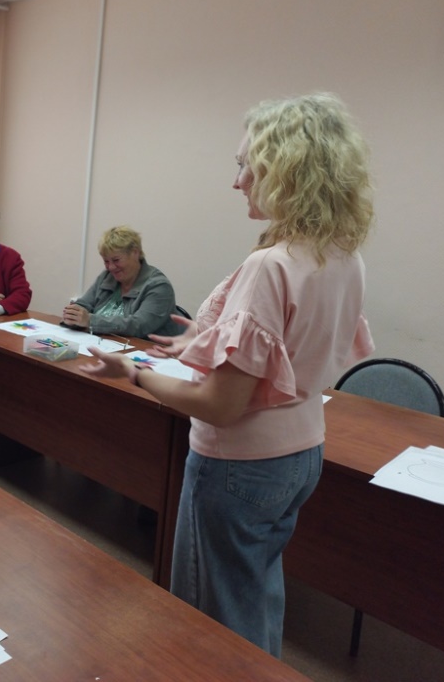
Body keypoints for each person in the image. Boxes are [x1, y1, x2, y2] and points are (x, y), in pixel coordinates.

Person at [81, 93, 374, 657]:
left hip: (240, 466)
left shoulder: (272, 264)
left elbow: (219, 404)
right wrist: (202, 338)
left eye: (246, 166)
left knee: (212, 621)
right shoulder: (341, 253)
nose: (238, 181)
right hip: (301, 454)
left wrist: (133, 374)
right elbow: (299, 347)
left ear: (287, 170)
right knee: (255, 592)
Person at [62, 225, 182, 339]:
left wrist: (90, 320)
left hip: (148, 353)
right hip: (105, 346)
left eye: (116, 260)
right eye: (106, 261)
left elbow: (139, 325)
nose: (111, 267)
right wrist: (74, 314)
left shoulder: (159, 286)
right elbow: (85, 304)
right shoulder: (107, 277)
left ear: (135, 253)